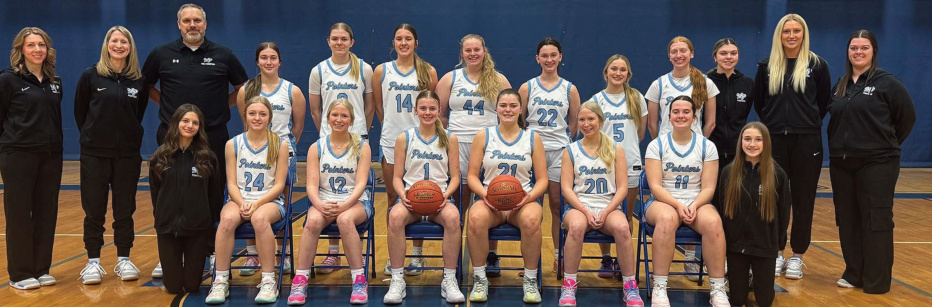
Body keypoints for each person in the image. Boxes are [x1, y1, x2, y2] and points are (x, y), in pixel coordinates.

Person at [142, 3, 249, 277]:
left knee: (212, 193)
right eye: (187, 20)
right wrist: (171, 112)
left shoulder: (223, 55)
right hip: (171, 137)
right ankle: (169, 252)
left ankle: (213, 251)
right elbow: (147, 86)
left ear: (205, 24)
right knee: (169, 193)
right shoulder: (160, 54)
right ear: (179, 24)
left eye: (197, 20)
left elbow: (242, 88)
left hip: (212, 135)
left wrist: (218, 110)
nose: (192, 25)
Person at [828, 29, 915, 294]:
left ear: (873, 51)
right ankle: (854, 273)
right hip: (842, 164)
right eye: (854, 47)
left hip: (877, 163)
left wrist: (882, 145)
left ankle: (876, 280)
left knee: (876, 220)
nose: (858, 52)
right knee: (848, 218)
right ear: (848, 51)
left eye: (864, 47)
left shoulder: (888, 83)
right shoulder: (841, 85)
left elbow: (906, 119)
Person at [753, 13, 831, 279]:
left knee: (803, 198)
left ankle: (797, 255)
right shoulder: (766, 66)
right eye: (787, 31)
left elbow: (823, 102)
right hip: (775, 139)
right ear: (780, 35)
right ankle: (776, 251)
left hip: (807, 140)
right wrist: (776, 125)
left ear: (803, 34)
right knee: (774, 199)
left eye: (797, 31)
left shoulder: (817, 65)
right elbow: (760, 102)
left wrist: (804, 123)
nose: (792, 36)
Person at [73, 26, 148, 285]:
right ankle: (93, 261)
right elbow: (80, 113)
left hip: (127, 155)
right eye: (114, 41)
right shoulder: (90, 76)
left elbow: (137, 115)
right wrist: (96, 138)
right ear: (107, 45)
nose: (119, 45)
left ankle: (123, 258)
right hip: (95, 154)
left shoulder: (138, 80)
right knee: (93, 209)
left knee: (124, 209)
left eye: (123, 41)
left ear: (130, 47)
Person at [436, 33, 511, 276]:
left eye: (476, 49)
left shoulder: (498, 80)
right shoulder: (450, 78)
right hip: (458, 145)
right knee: (459, 204)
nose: (472, 54)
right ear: (462, 53)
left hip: (489, 146)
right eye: (467, 50)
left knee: (492, 199)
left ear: (484, 51)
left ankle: (490, 254)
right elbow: (439, 114)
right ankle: (454, 254)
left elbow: (510, 113)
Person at [643, 96, 729, 307]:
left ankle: (718, 288)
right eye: (676, 112)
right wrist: (679, 205)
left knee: (714, 223)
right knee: (666, 219)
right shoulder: (657, 145)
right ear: (669, 116)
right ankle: (660, 286)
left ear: (694, 116)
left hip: (696, 201)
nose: (681, 115)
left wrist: (693, 205)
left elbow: (709, 188)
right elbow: (655, 187)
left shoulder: (707, 146)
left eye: (686, 112)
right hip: (662, 201)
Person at [205, 96, 290, 304]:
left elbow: (279, 185)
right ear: (245, 115)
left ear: (270, 117)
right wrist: (242, 202)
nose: (257, 118)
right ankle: (220, 280)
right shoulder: (233, 144)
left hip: (270, 202)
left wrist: (256, 203)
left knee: (260, 220)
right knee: (226, 221)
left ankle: (268, 280)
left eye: (262, 114)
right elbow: (231, 183)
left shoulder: (280, 145)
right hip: (239, 199)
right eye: (252, 113)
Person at [382, 91, 465, 304]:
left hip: (440, 200)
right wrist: (403, 195)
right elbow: (397, 177)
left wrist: (445, 195)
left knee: (454, 218)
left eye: (432, 109)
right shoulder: (404, 138)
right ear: (415, 110)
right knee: (394, 216)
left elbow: (455, 176)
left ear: (439, 111)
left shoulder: (449, 137)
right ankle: (398, 279)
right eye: (423, 108)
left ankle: (449, 278)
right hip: (411, 200)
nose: (427, 113)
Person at [558, 101, 643, 307]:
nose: (586, 124)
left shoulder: (615, 148)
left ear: (600, 121)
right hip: (579, 207)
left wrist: (607, 210)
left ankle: (630, 286)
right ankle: (569, 284)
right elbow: (567, 188)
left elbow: (622, 187)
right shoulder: (571, 150)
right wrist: (585, 211)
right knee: (577, 227)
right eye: (582, 120)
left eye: (591, 119)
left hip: (608, 205)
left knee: (623, 227)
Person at [288, 99, 373, 305]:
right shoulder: (316, 147)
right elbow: (311, 185)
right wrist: (318, 204)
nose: (339, 119)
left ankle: (358, 280)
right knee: (313, 222)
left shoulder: (362, 146)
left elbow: (362, 183)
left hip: (355, 202)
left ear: (351, 120)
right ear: (327, 119)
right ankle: (300, 280)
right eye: (335, 115)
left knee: (345, 220)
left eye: (344, 116)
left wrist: (345, 205)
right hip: (324, 200)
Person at [465, 89, 546, 304]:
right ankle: (480, 278)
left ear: (520, 109)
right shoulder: (484, 135)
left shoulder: (532, 137)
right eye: (503, 105)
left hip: (523, 201)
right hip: (491, 201)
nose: (507, 110)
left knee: (531, 220)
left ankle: (530, 280)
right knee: (475, 218)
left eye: (512, 106)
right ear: (496, 108)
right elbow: (472, 175)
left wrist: (528, 198)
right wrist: (485, 194)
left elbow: (543, 180)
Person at [234, 41, 306, 277]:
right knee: (248, 198)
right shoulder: (246, 90)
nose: (268, 61)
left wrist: (281, 148)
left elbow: (298, 127)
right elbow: (245, 124)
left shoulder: (292, 91)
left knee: (279, 206)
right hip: (251, 154)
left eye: (273, 57)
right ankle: (252, 254)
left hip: (282, 155)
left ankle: (281, 254)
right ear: (257, 61)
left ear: (279, 61)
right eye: (263, 57)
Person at [307, 23, 374, 272]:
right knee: (329, 192)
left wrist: (359, 131)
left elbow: (369, 105)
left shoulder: (364, 69)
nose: (339, 43)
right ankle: (333, 254)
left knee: (352, 193)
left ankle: (356, 255)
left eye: (344, 38)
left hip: (357, 138)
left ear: (351, 42)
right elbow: (315, 109)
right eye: (334, 38)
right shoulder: (319, 71)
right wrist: (329, 130)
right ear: (328, 41)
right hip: (330, 136)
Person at [372, 23, 438, 276]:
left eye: (408, 38)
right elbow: (380, 107)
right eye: (399, 38)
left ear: (416, 43)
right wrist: (394, 129)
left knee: (422, 196)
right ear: (394, 43)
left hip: (421, 142)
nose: (403, 43)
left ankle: (417, 254)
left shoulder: (428, 71)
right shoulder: (381, 71)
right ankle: (395, 255)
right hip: (391, 140)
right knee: (393, 199)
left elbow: (431, 107)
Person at [0, 26, 63, 290]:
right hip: (18, 154)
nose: (37, 50)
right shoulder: (8, 80)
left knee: (46, 213)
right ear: (20, 50)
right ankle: (20, 273)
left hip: (50, 156)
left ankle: (41, 269)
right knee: (19, 215)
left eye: (41, 45)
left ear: (48, 50)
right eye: (31, 45)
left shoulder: (55, 81)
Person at [517, 38, 581, 273]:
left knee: (556, 206)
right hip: (532, 152)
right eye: (544, 55)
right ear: (537, 59)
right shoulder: (527, 87)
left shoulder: (569, 88)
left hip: (559, 152)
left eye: (553, 55)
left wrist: (562, 141)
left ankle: (558, 256)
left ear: (560, 56)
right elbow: (518, 119)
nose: (549, 59)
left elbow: (574, 123)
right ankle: (530, 262)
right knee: (528, 206)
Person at [717, 122, 791, 307]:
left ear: (766, 143)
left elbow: (784, 212)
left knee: (765, 300)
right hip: (736, 247)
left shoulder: (777, 174)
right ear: (740, 142)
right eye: (747, 139)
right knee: (737, 299)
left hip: (764, 247)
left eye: (758, 139)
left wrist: (778, 244)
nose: (752, 144)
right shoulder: (728, 172)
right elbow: (720, 209)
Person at [149, 104, 221, 294]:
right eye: (185, 121)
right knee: (172, 287)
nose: (190, 126)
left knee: (191, 286)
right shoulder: (159, 158)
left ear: (200, 127)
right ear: (176, 123)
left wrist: (207, 223)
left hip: (197, 230)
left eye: (195, 123)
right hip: (167, 228)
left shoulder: (208, 159)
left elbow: (214, 196)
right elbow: (155, 193)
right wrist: (162, 217)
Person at [588, 54, 648, 277]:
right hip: (603, 162)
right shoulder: (597, 100)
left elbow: (641, 132)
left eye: (623, 69)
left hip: (630, 161)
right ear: (606, 72)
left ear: (628, 74)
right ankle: (605, 259)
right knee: (603, 210)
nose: (618, 73)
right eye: (614, 68)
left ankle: (624, 262)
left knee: (626, 214)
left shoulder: (636, 97)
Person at [646, 36, 718, 139]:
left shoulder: (706, 83)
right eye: (674, 52)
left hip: (694, 149)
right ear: (669, 56)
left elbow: (711, 123)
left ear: (691, 54)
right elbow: (652, 125)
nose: (678, 55)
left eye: (683, 51)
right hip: (666, 148)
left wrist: (699, 143)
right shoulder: (658, 85)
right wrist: (661, 145)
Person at [707, 38, 754, 170]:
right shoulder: (705, 83)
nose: (729, 57)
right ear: (715, 57)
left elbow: (744, 115)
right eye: (723, 53)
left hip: (738, 152)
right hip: (711, 152)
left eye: (733, 53)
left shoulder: (747, 84)